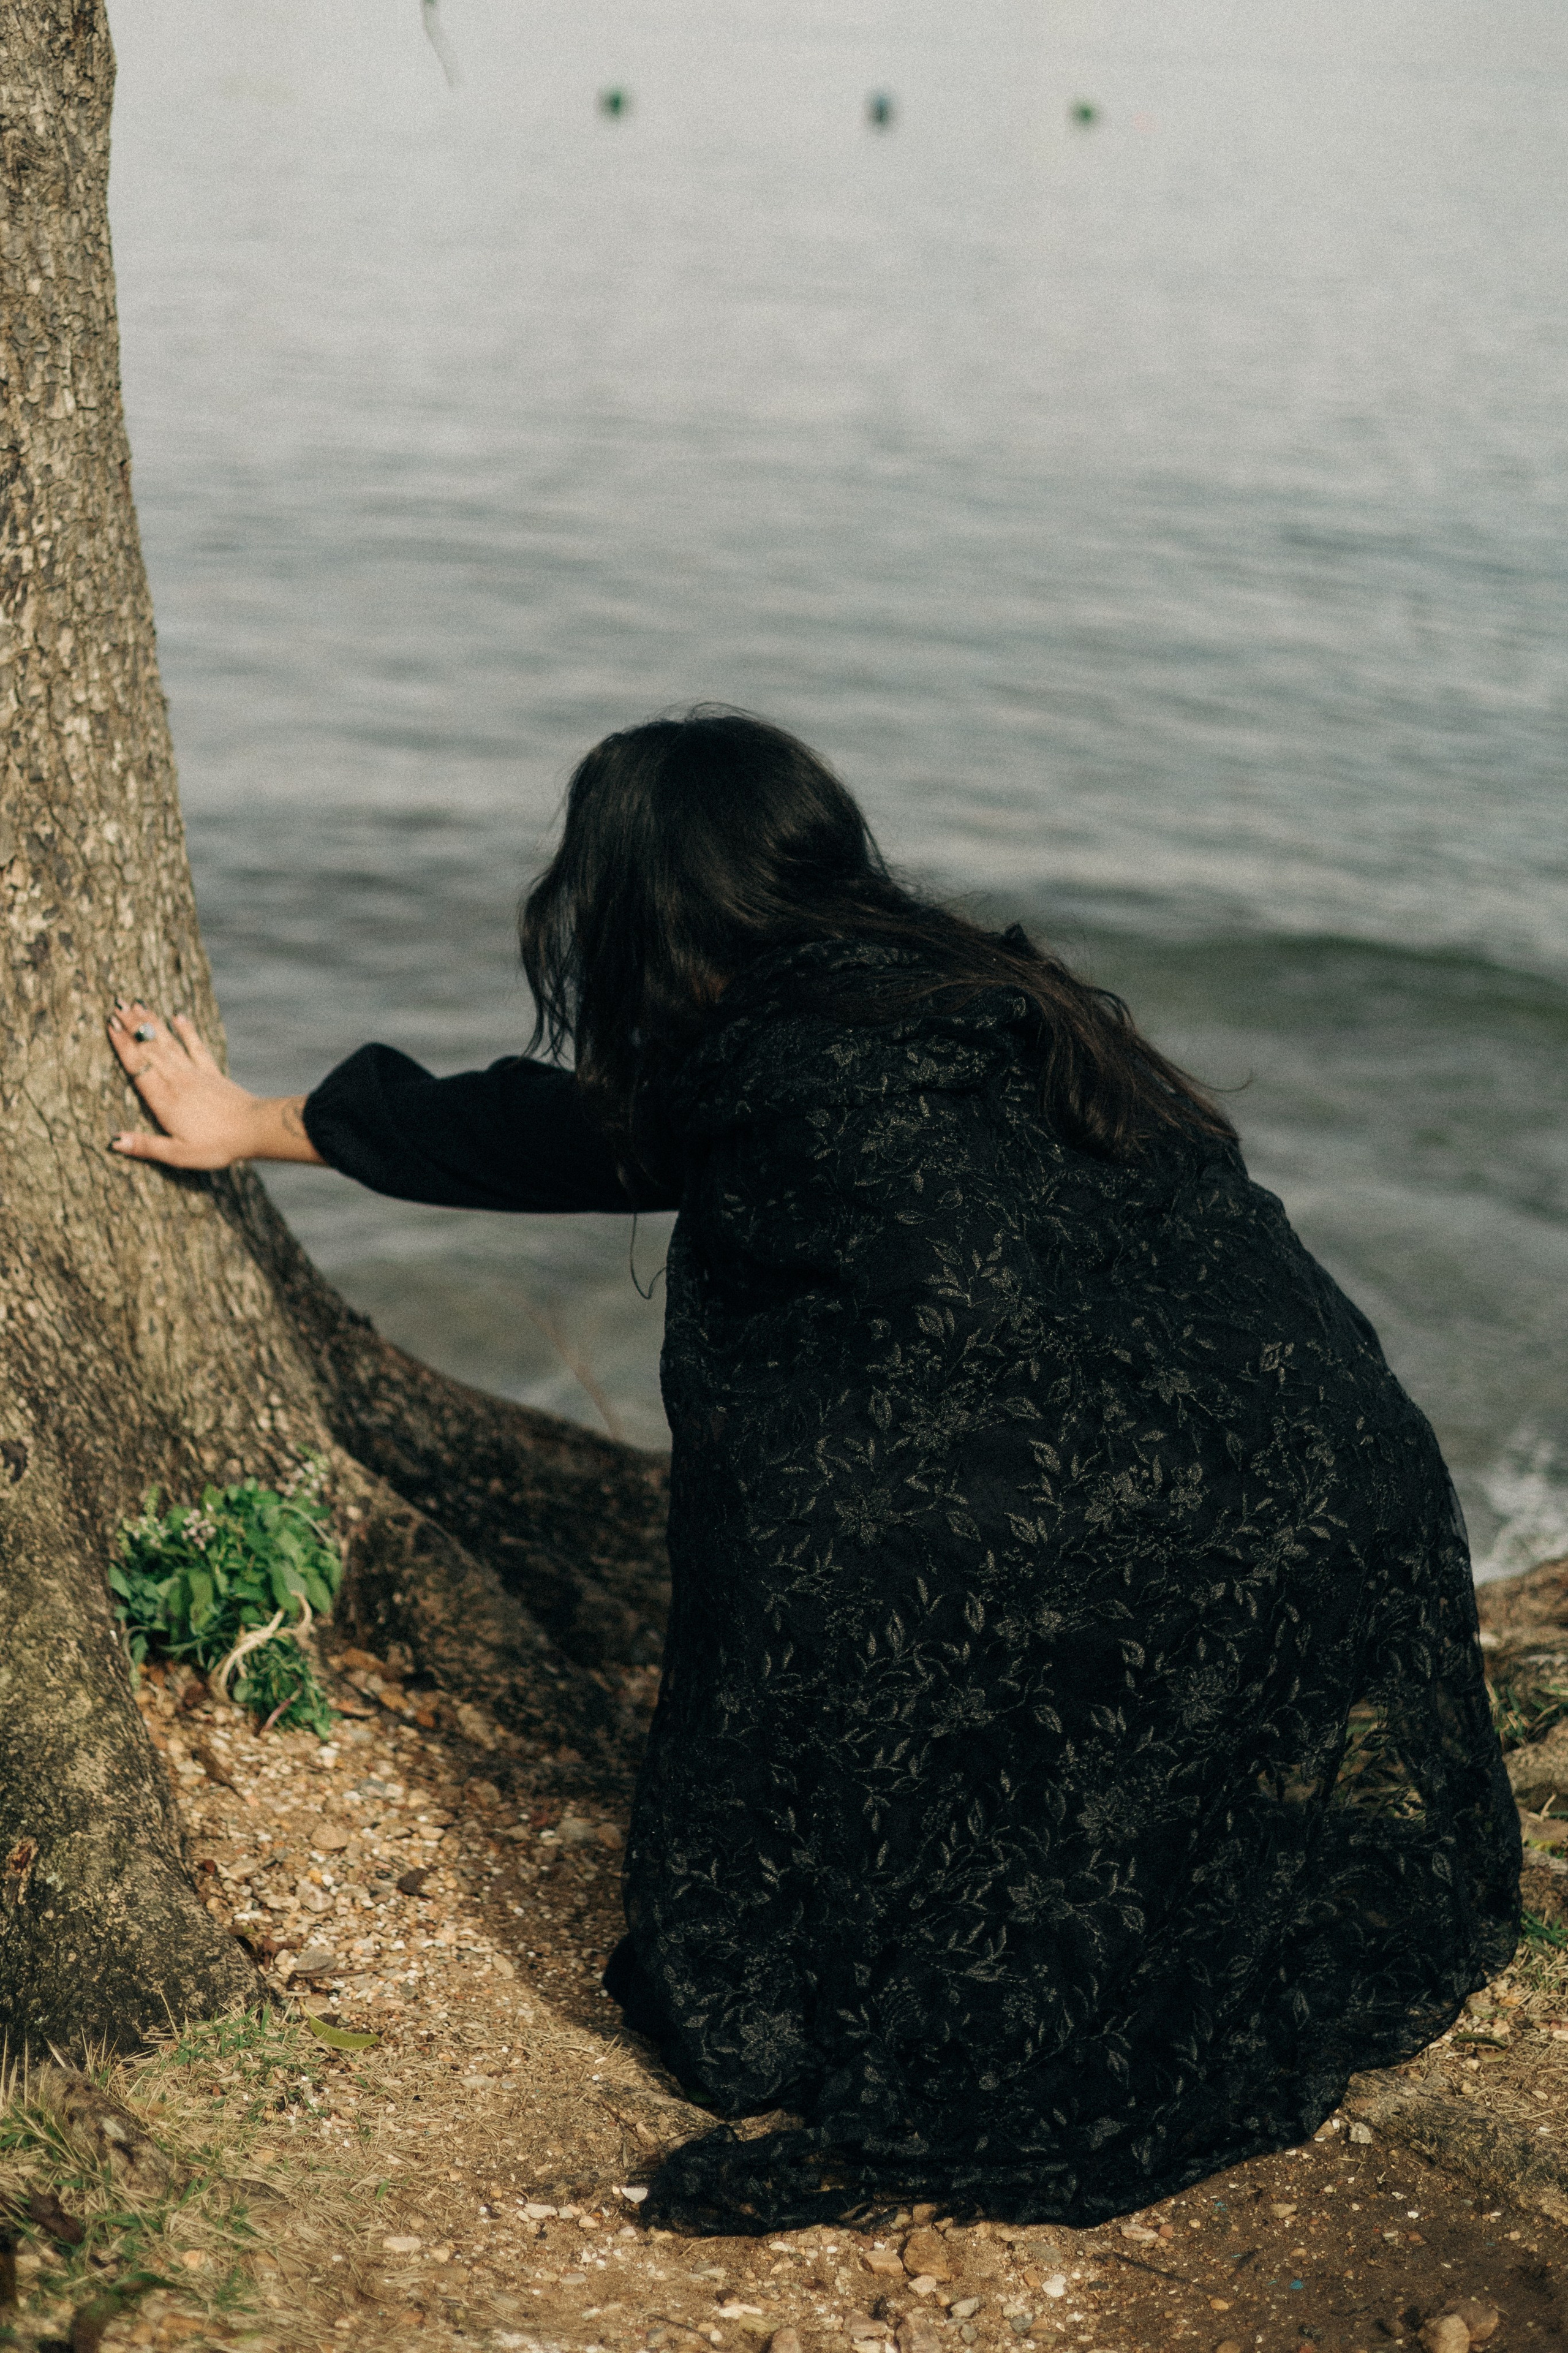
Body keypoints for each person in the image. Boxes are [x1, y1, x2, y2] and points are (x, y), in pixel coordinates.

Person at [109, 708, 1519, 2231]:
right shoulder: (996, 996)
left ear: (635, 902)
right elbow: (596, 1139)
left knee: (810, 1517)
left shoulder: (760, 1072)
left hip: (1159, 1513)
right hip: (1333, 1476)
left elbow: (630, 1167)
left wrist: (253, 1123)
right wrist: (267, 1120)